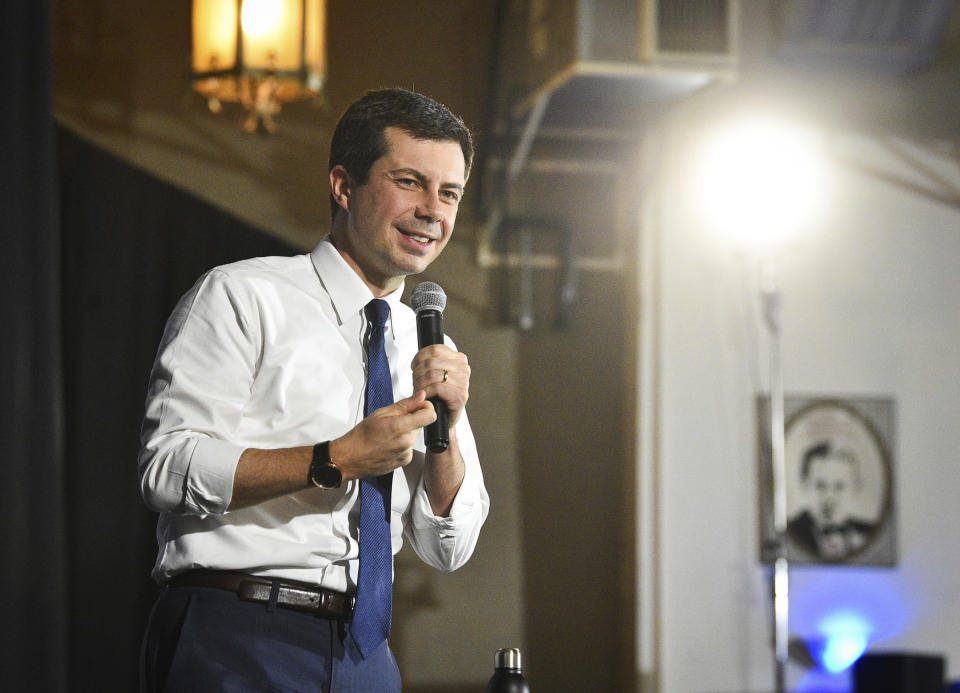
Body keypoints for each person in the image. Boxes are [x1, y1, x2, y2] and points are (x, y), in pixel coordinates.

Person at [138, 88, 489, 692]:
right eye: (410, 181)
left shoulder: (426, 343)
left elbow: (447, 548)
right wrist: (336, 460)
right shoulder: (244, 297)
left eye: (449, 192)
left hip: (366, 651)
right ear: (343, 185)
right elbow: (167, 471)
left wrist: (448, 427)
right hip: (237, 631)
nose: (434, 210)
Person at [787, 440, 875, 561]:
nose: (829, 496)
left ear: (855, 488)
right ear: (805, 485)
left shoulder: (868, 533)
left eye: (839, 486)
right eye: (820, 486)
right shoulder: (790, 533)